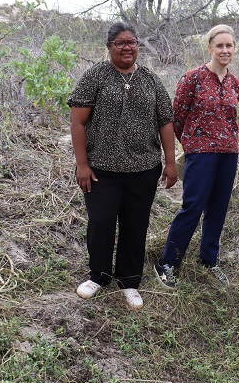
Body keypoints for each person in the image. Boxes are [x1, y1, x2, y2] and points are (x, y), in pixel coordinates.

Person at [68, 22, 177, 310]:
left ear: (138, 46)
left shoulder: (151, 80)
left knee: (135, 225)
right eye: (120, 43)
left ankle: (129, 281)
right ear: (109, 47)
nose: (127, 47)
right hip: (102, 169)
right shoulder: (95, 77)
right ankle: (99, 276)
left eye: (132, 42)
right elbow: (77, 122)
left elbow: (166, 121)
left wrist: (170, 161)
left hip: (143, 170)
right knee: (101, 223)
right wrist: (82, 164)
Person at [154, 25, 239, 289]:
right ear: (210, 48)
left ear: (234, 49)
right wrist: (193, 144)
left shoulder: (235, 82)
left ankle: (209, 260)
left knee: (218, 208)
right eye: (219, 46)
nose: (224, 50)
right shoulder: (193, 77)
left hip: (228, 153)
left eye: (229, 46)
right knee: (193, 206)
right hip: (200, 154)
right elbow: (175, 118)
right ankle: (168, 262)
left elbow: (231, 119)